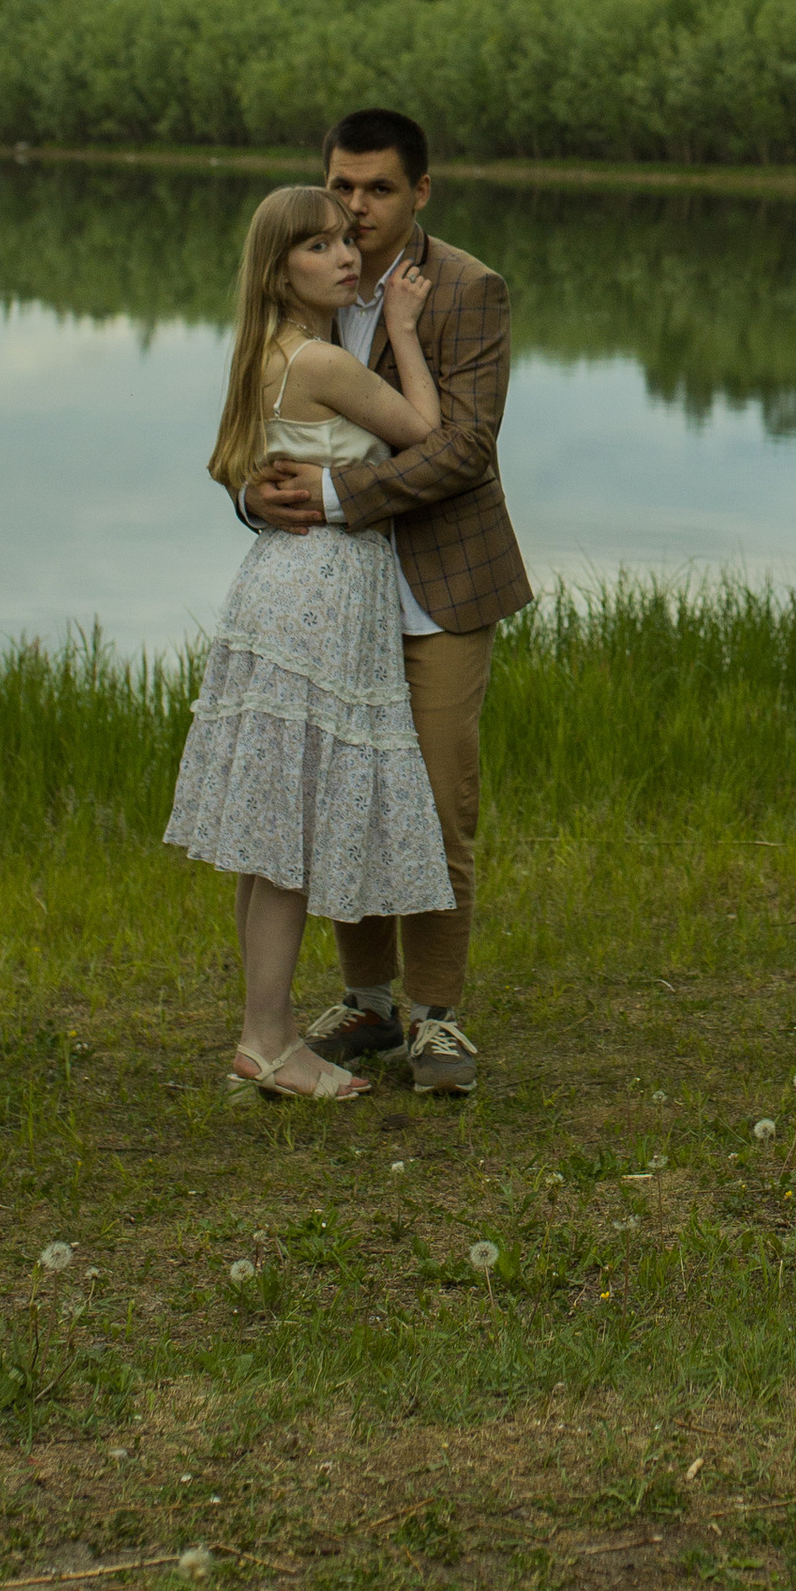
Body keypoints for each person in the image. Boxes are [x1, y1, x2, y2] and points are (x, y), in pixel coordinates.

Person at [244, 107, 533, 1094]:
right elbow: (265, 416)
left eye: (376, 189)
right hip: (335, 600)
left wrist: (331, 498)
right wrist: (255, 492)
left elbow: (460, 448)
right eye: (342, 185)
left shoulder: (466, 288)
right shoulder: (308, 272)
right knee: (348, 800)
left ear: (420, 192)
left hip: (441, 586)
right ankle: (368, 1004)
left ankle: (438, 1019)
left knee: (441, 799)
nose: (356, 208)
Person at [166, 183, 457, 1099]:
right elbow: (424, 431)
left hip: (281, 587)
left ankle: (269, 1029)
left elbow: (244, 464)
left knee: (269, 829)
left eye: (345, 241)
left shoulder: (266, 348)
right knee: (287, 827)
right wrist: (405, 330)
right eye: (320, 247)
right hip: (323, 590)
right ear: (279, 267)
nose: (345, 256)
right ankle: (269, 1042)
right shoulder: (321, 363)